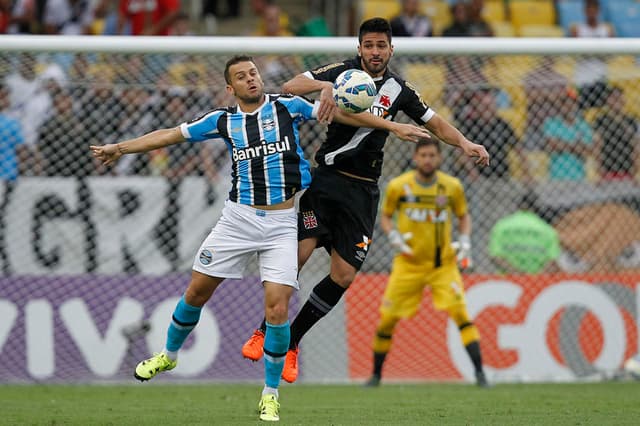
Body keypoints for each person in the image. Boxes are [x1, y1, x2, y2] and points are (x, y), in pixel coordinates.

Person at [90, 55, 429, 422]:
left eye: (252, 73)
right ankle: (169, 355)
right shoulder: (222, 120)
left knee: (278, 308)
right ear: (230, 88)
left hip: (282, 223)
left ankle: (270, 395)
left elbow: (343, 115)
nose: (251, 79)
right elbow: (171, 135)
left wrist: (391, 128)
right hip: (237, 221)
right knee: (196, 293)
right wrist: (120, 147)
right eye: (242, 76)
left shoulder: (288, 106)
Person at [241, 17, 490, 384]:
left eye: (381, 46)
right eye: (368, 45)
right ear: (359, 48)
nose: (375, 52)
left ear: (392, 49)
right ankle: (264, 331)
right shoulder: (342, 71)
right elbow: (292, 84)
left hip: (363, 192)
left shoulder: (399, 90)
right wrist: (325, 86)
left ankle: (292, 341)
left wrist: (465, 143)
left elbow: (435, 122)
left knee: (343, 275)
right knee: (296, 257)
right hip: (325, 184)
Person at [363, 138, 488, 387]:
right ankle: (376, 376)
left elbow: (464, 217)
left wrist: (465, 240)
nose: (428, 160)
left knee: (461, 314)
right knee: (387, 319)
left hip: (443, 266)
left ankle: (480, 375)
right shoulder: (399, 186)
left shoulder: (451, 187)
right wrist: (394, 236)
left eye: (432, 155)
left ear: (439, 158)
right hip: (408, 265)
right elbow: (386, 217)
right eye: (423, 155)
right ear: (415, 158)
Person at [488, 191, 560, 274]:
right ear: (537, 208)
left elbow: (496, 256)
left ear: (519, 206)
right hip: (537, 281)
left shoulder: (501, 225)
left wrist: (516, 274)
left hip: (507, 281)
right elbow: (552, 260)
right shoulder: (546, 229)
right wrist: (535, 278)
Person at [593, 86, 638, 181]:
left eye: (619, 97)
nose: (617, 100)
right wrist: (599, 168)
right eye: (613, 97)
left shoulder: (631, 120)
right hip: (607, 169)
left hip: (628, 168)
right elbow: (597, 144)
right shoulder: (601, 120)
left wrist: (635, 169)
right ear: (607, 100)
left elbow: (635, 145)